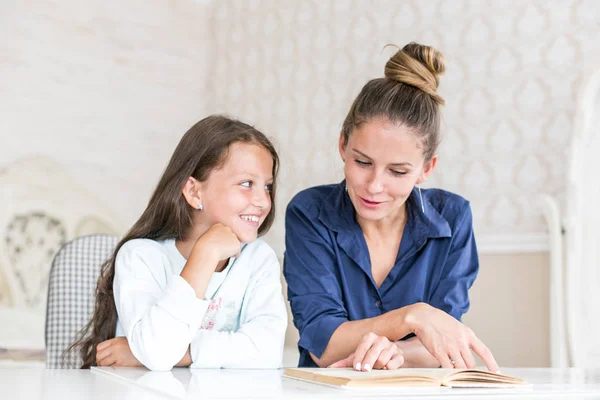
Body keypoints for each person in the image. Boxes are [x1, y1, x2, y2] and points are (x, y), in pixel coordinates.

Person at [283, 42, 499, 372]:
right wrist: (413, 317)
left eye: (397, 171)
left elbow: (444, 340)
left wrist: (396, 353)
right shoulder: (309, 213)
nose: (374, 186)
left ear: (427, 168)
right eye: (362, 162)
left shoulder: (453, 219)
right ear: (343, 145)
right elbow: (323, 346)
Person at [71, 115, 287, 371]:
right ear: (194, 192)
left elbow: (268, 351)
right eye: (246, 184)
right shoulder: (140, 257)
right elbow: (158, 351)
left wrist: (182, 354)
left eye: (267, 187)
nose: (263, 201)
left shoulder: (259, 259)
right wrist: (205, 255)